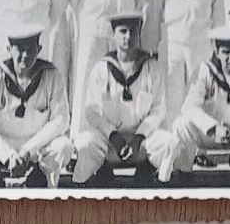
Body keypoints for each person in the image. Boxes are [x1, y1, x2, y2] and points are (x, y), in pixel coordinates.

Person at [0, 23, 73, 189]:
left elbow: (61, 120)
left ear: (39, 49)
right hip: (2, 147)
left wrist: (28, 150)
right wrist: (6, 154)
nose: (25, 55)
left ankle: (39, 176)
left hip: (37, 149)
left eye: (30, 49)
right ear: (9, 49)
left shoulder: (52, 75)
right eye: (19, 49)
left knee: (64, 146)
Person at [156, 26, 230, 180]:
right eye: (225, 52)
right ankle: (184, 170)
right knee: (180, 125)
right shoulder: (205, 71)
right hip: (210, 134)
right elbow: (189, 106)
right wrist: (213, 128)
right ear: (216, 52)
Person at [71, 12, 170, 184]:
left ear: (139, 34)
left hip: (141, 142)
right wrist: (113, 136)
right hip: (110, 141)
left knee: (170, 142)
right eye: (123, 31)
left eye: (133, 31)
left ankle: (150, 171)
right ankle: (98, 171)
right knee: (84, 143)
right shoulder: (101, 69)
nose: (128, 37)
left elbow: (158, 109)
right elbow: (91, 111)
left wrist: (140, 136)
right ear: (113, 34)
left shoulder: (151, 67)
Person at [158, 0, 226, 120]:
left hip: (201, 45)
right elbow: (154, 13)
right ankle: (174, 141)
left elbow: (219, 17)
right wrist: (153, 46)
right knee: (172, 95)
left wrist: (217, 49)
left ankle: (197, 143)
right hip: (173, 45)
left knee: (197, 96)